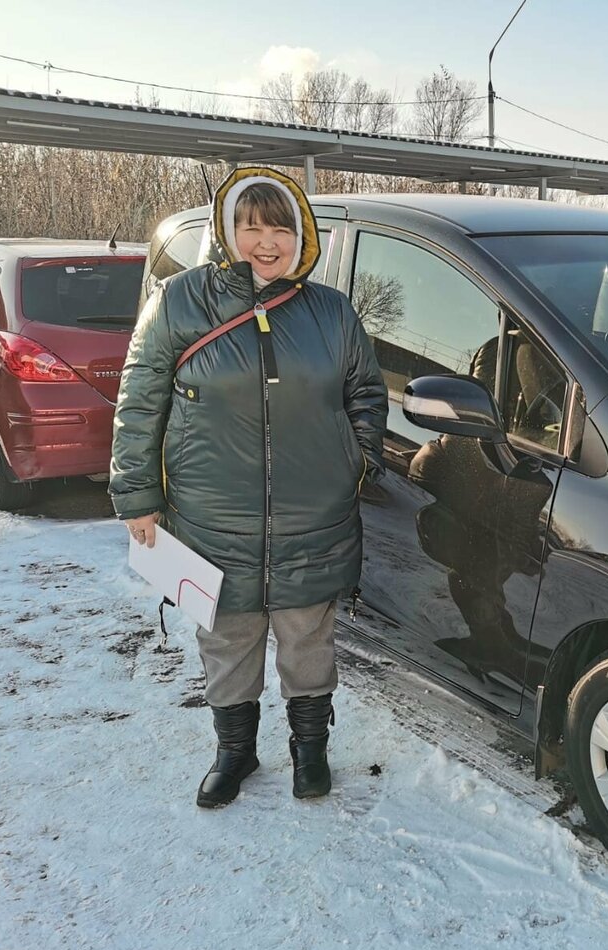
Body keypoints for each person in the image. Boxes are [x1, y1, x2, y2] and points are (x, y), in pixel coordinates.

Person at [110, 167, 387, 808]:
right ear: (226, 231)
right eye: (251, 226)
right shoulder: (179, 301)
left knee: (308, 639)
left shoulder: (331, 312)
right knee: (227, 638)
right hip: (211, 518)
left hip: (313, 518)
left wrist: (357, 461)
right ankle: (234, 751)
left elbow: (366, 394)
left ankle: (310, 749)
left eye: (280, 228)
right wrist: (138, 499)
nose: (267, 242)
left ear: (301, 236)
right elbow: (140, 402)